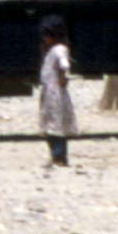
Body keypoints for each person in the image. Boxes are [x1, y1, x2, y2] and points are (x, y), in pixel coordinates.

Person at [37, 16, 78, 170]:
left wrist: (62, 78)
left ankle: (59, 156)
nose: (44, 38)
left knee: (56, 124)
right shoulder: (50, 50)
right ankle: (56, 156)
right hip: (49, 92)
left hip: (55, 93)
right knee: (50, 124)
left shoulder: (60, 49)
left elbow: (64, 64)